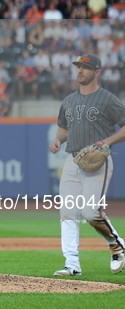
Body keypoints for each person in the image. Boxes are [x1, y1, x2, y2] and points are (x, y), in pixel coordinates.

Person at [49, 54, 125, 276]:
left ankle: (115, 243)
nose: (80, 71)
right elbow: (63, 128)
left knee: (91, 213)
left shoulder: (107, 99)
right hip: (72, 160)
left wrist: (108, 141)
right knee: (67, 212)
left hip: (97, 162)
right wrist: (57, 141)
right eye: (78, 67)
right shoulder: (69, 100)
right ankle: (71, 264)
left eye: (85, 67)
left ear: (97, 72)